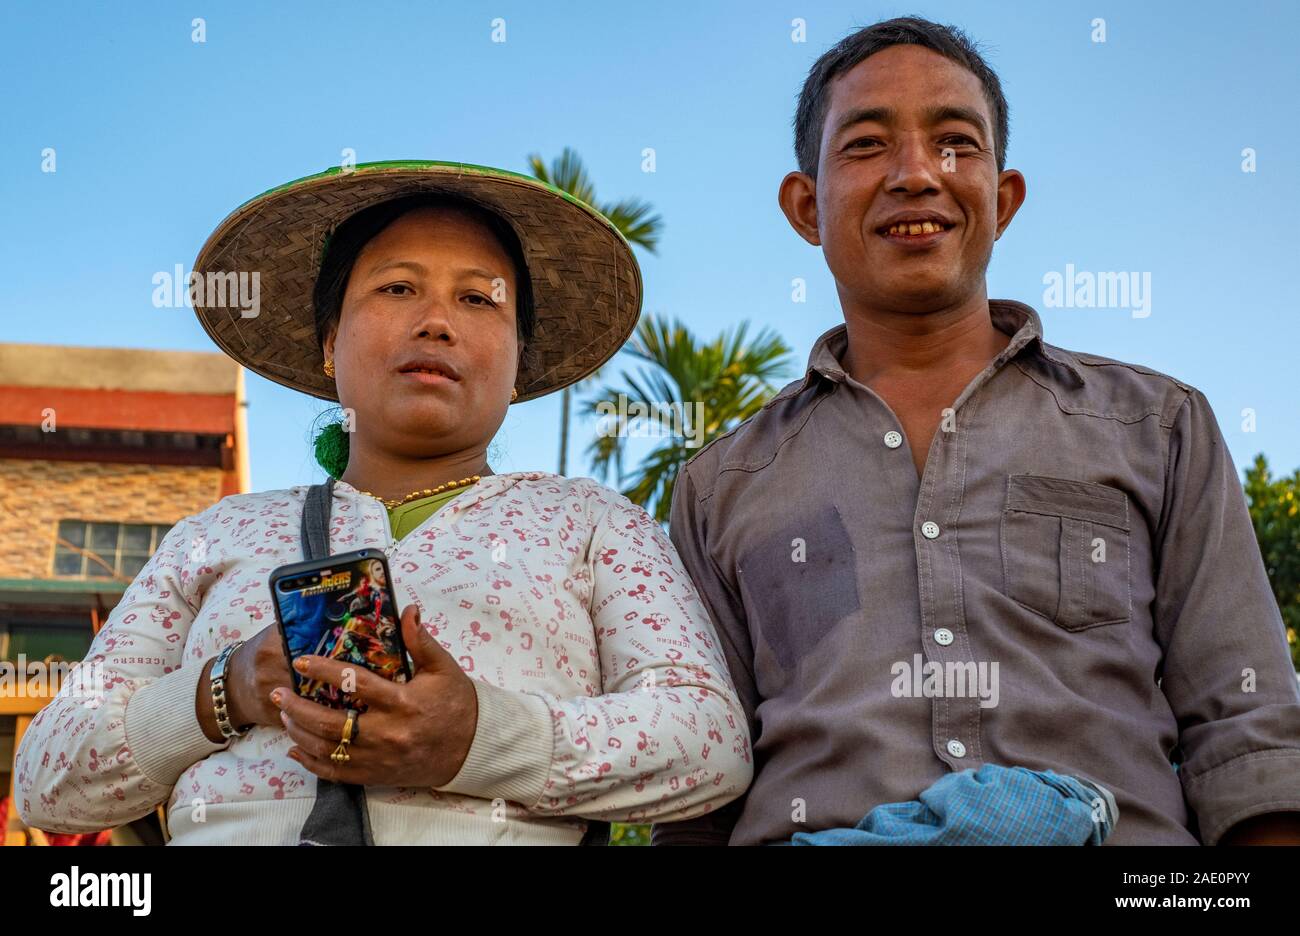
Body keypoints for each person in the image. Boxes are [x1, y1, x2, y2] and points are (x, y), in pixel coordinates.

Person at [652, 17, 1300, 846]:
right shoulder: (721, 486)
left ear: (1003, 198)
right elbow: (699, 795)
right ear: (806, 207)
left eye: (955, 142)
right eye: (865, 145)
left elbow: (1249, 737)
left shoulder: (1157, 427)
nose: (917, 174)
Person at [16, 161, 752, 845]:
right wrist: (229, 688)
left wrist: (478, 739)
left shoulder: (593, 523)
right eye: (397, 288)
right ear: (331, 341)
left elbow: (709, 742)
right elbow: (46, 781)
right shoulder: (214, 534)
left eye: (478, 298)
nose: (436, 320)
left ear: (518, 359)